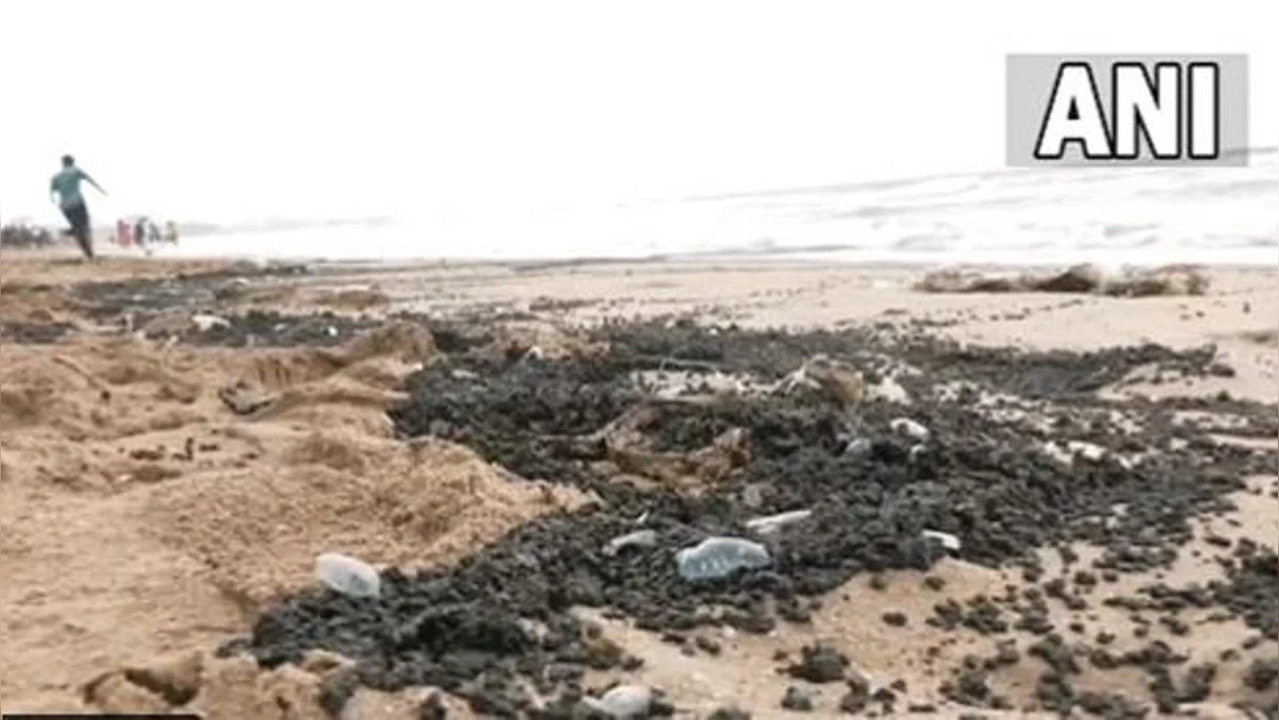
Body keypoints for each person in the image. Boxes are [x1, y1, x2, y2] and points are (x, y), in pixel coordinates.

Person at [49, 155, 107, 259]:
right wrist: (101, 190)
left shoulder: (56, 176)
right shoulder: (76, 170)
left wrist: (56, 200)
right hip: (77, 202)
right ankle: (89, 251)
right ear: (72, 162)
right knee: (85, 224)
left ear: (63, 163)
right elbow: (90, 180)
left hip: (65, 206)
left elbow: (52, 191)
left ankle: (77, 236)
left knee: (77, 229)